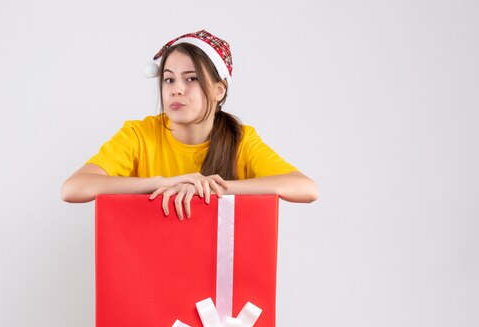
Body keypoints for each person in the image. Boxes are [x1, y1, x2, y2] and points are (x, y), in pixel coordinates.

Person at [61, 29, 318, 219]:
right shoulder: (139, 135)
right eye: (169, 80)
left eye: (191, 79)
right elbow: (74, 188)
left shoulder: (241, 139)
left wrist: (212, 187)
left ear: (219, 90)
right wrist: (166, 182)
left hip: (216, 273)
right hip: (150, 265)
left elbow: (305, 188)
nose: (177, 90)